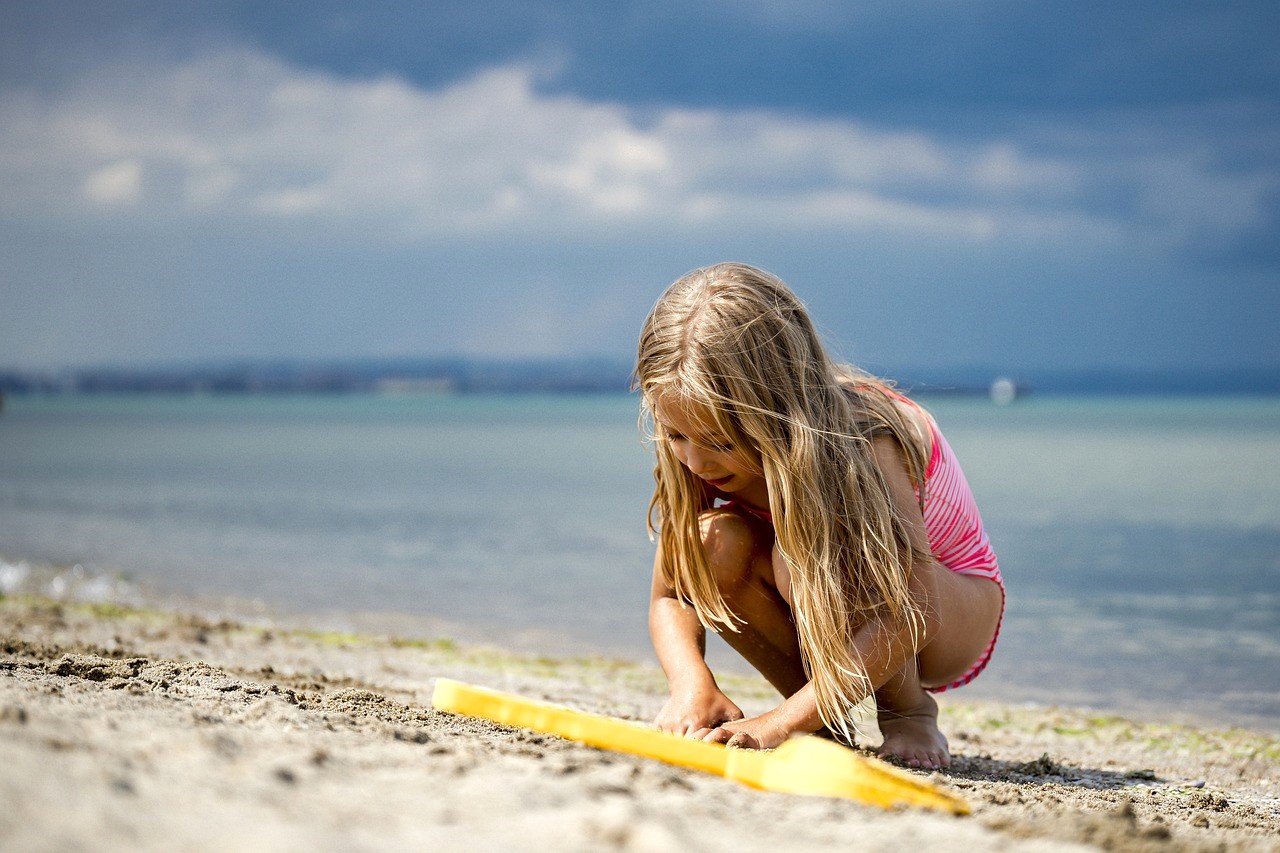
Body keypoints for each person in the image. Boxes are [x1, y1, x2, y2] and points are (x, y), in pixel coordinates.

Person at [634, 262, 1005, 771]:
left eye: (720, 442)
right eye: (676, 436)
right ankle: (822, 720)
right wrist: (692, 685)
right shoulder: (698, 431)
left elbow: (913, 607)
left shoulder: (863, 438)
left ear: (776, 410)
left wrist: (779, 725)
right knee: (707, 544)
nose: (696, 461)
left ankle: (908, 709)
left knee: (805, 551)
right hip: (831, 599)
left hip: (947, 612)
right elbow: (671, 593)